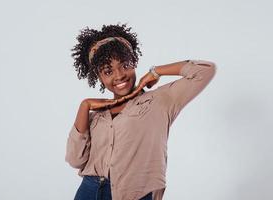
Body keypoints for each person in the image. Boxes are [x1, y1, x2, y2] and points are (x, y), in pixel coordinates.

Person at [65, 23, 216, 200]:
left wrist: (156, 72)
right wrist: (84, 107)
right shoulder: (96, 116)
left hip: (135, 193)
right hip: (89, 191)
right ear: (99, 77)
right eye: (108, 71)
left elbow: (204, 71)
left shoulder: (159, 101)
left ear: (134, 62)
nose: (119, 75)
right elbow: (75, 160)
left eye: (125, 65)